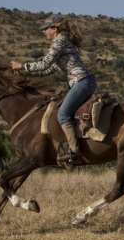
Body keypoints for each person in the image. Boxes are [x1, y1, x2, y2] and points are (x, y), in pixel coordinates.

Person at [10, 14, 96, 167]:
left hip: (81, 82)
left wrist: (22, 66)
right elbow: (48, 70)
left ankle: (74, 152)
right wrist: (24, 72)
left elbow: (44, 64)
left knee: (62, 114)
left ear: (54, 28)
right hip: (83, 82)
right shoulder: (63, 42)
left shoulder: (59, 40)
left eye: (45, 29)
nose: (44, 32)